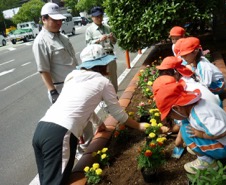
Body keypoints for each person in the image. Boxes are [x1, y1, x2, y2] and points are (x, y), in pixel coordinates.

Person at [32, 44, 169, 185]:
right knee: (56, 182)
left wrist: (99, 123)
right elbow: (118, 114)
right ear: (102, 64)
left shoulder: (72, 76)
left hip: (41, 129)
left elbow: (83, 106)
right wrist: (139, 126)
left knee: (46, 180)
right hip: (61, 133)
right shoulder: (103, 82)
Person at [153, 82, 226, 174]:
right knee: (185, 125)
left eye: (170, 115)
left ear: (177, 109)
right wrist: (179, 139)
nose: (172, 118)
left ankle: (206, 162)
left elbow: (223, 131)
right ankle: (203, 147)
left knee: (186, 131)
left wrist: (202, 135)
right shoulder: (196, 105)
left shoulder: (199, 116)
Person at [32, 2, 79, 104]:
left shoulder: (63, 37)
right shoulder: (40, 42)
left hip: (77, 84)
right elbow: (43, 70)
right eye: (54, 20)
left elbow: (73, 60)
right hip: (62, 90)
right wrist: (53, 92)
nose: (59, 23)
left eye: (60, 20)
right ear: (44, 19)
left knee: (87, 116)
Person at [85, 6, 118, 92]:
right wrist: (99, 40)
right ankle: (103, 102)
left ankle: (115, 98)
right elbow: (88, 44)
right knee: (102, 80)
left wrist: (111, 38)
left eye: (100, 16)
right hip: (99, 58)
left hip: (110, 55)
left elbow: (115, 41)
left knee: (113, 78)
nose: (99, 18)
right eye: (97, 17)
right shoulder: (89, 30)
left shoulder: (107, 27)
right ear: (92, 17)